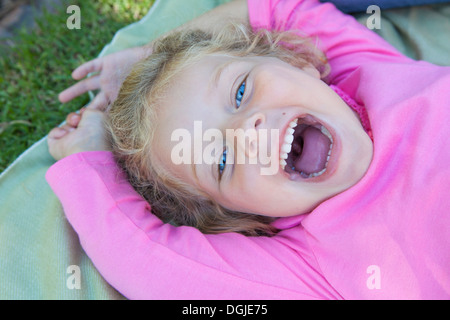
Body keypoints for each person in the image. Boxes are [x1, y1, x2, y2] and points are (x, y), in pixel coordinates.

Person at [46, 0, 450, 299]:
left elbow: (277, 9)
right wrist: (88, 158)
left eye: (241, 91)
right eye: (221, 160)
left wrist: (149, 56)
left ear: (298, 60)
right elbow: (144, 259)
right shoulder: (307, 262)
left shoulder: (359, 70)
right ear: (240, 216)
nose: (247, 130)